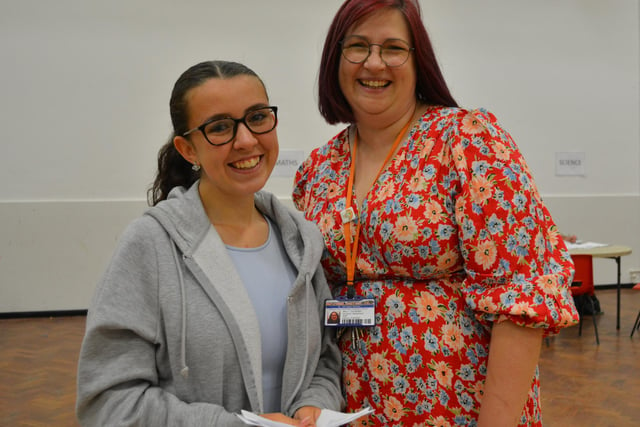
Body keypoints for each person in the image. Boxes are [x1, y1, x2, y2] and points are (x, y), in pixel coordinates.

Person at [292, 1, 580, 426]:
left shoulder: (467, 141)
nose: (374, 62)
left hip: (460, 407)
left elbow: (521, 298)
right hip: (351, 407)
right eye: (357, 46)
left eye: (393, 48)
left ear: (418, 61)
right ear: (336, 60)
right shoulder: (317, 170)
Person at [76, 60, 343, 426]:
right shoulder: (150, 246)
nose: (247, 139)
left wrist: (314, 404)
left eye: (258, 117)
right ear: (187, 149)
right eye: (219, 127)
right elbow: (108, 401)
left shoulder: (300, 242)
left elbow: (325, 361)